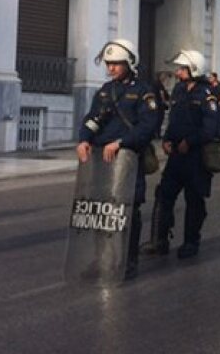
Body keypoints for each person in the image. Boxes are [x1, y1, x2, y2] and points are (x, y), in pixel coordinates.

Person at [75, 39, 160, 279]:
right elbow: (93, 118)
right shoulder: (104, 91)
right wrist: (84, 139)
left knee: (128, 211)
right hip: (103, 160)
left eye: (116, 64)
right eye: (109, 63)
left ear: (130, 63)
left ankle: (127, 261)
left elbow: (147, 126)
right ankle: (102, 258)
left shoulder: (144, 92)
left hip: (128, 159)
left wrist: (121, 143)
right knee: (102, 210)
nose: (111, 68)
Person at [144, 49, 218, 259]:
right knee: (164, 194)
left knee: (194, 200)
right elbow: (173, 120)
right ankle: (159, 240)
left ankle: (191, 242)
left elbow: (211, 128)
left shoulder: (206, 95)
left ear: (193, 69)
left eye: (182, 68)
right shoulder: (178, 90)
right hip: (177, 156)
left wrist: (190, 141)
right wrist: (167, 139)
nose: (177, 72)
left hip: (196, 158)